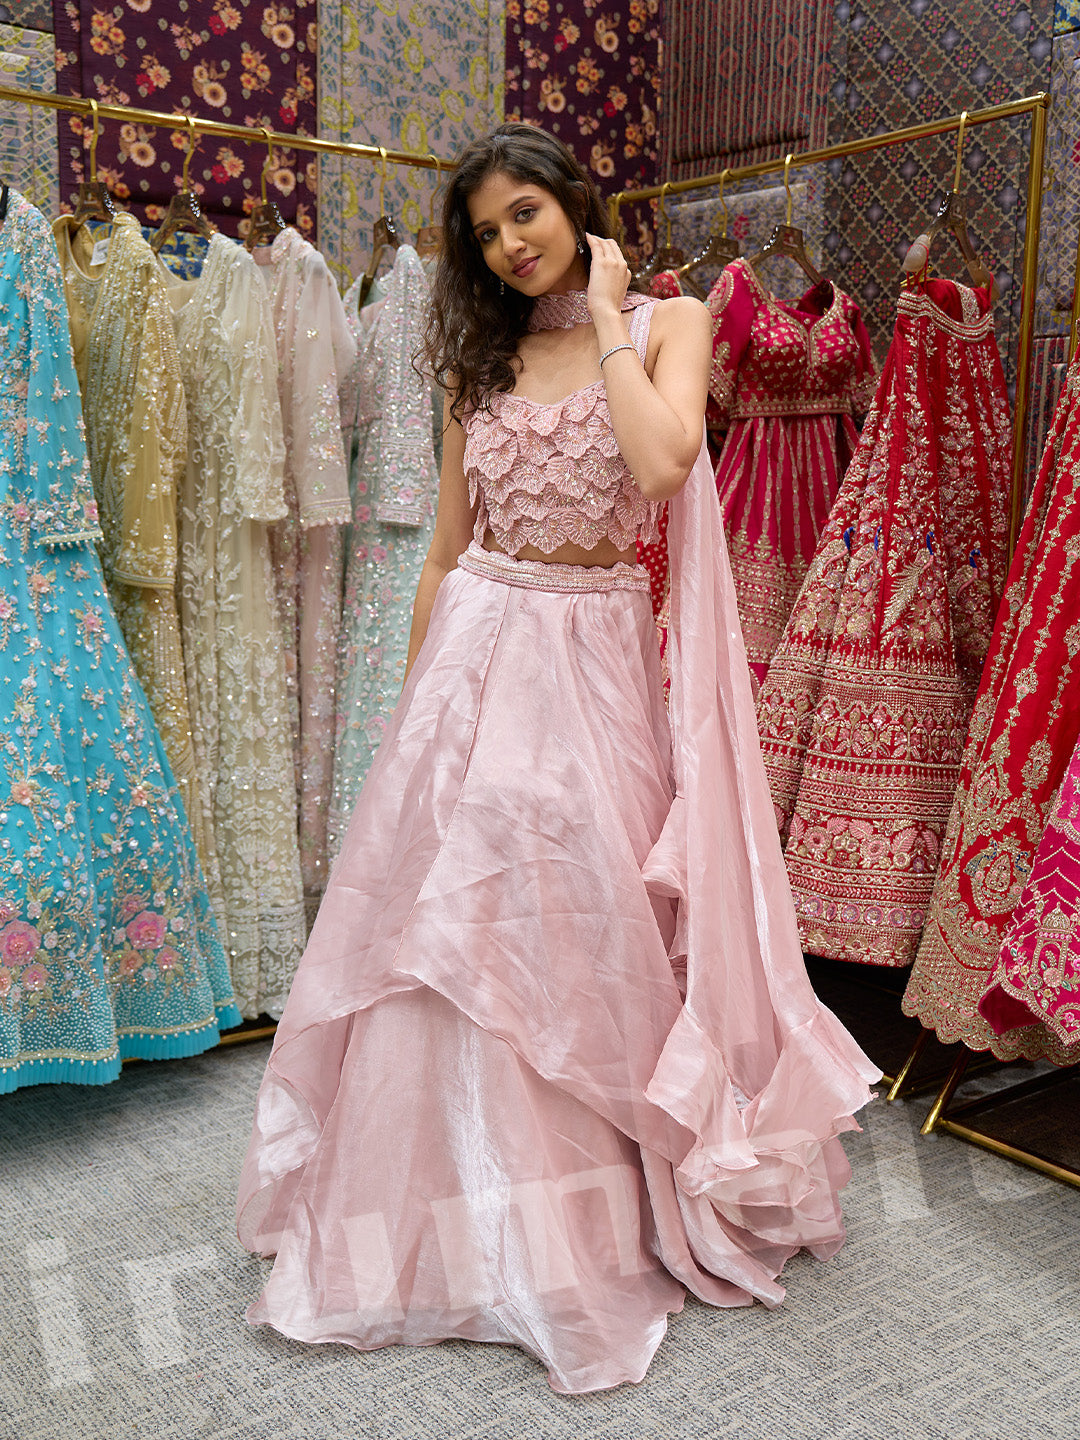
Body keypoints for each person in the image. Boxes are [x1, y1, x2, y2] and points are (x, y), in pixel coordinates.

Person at [236, 123, 878, 1395]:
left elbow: (660, 459)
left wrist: (612, 310)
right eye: (485, 232)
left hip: (587, 653)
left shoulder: (676, 321)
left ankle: (573, 1216)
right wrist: (416, 701)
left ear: (575, 203)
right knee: (439, 920)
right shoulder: (477, 359)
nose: (508, 245)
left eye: (523, 212)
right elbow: (442, 548)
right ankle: (436, 1214)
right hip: (475, 643)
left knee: (577, 914)